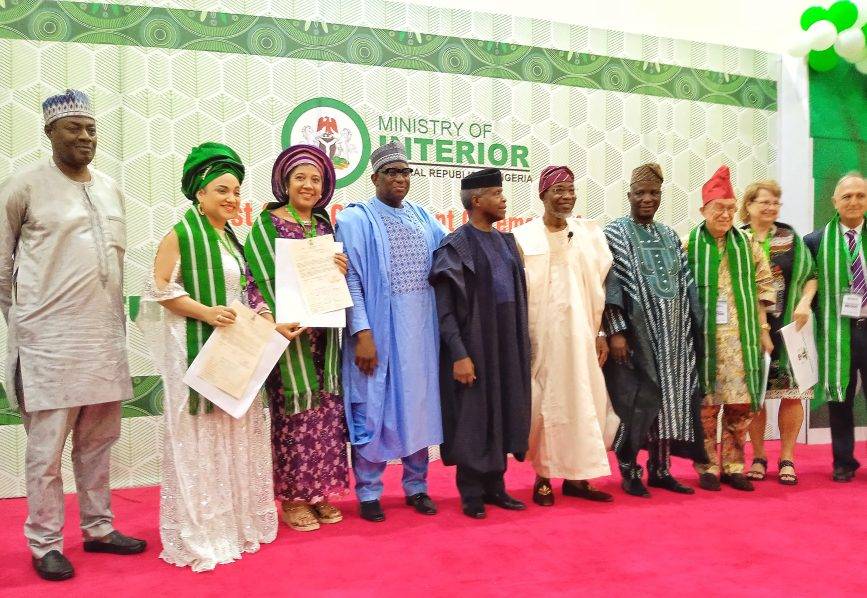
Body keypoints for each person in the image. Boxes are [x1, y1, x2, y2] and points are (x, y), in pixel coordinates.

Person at [0, 90, 145, 581]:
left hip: (103, 340)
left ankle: (99, 528)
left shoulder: (109, 188)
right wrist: (26, 323)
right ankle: (45, 543)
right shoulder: (23, 186)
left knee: (98, 442)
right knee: (45, 452)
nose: (85, 136)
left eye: (90, 128)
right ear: (49, 132)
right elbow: (1, 269)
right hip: (48, 344)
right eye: (73, 128)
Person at [139, 142, 277, 571]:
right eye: (222, 190)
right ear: (199, 192)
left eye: (236, 191)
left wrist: (261, 314)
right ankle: (203, 531)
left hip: (234, 351)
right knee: (200, 440)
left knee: (232, 434)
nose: (232, 199)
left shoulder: (232, 238)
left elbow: (242, 290)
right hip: (195, 353)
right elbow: (160, 289)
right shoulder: (180, 235)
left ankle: (233, 524)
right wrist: (205, 312)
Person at [335, 141, 446, 522]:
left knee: (417, 408)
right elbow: (349, 278)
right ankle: (368, 492)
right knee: (374, 409)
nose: (400, 178)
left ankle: (417, 487)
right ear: (374, 178)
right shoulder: (356, 220)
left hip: (420, 333)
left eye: (405, 172)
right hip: (378, 331)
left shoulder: (423, 217)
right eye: (391, 172)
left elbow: (451, 250)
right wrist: (362, 332)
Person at [244, 145, 350, 531]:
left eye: (316, 179)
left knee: (326, 418)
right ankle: (293, 498)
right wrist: (270, 319)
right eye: (300, 178)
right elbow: (252, 279)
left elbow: (330, 279)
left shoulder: (323, 225)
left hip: (324, 340)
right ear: (285, 183)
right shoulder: (267, 225)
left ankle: (319, 493)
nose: (308, 185)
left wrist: (340, 268)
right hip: (288, 340)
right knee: (295, 419)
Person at [429, 168, 531, 519]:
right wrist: (459, 354)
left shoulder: (506, 242)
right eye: (496, 194)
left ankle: (496, 486)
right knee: (474, 415)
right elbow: (444, 309)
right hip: (474, 344)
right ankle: (471, 491)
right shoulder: (456, 246)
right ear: (476, 200)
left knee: (504, 407)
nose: (504, 200)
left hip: (506, 342)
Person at [512, 165, 616, 506]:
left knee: (585, 401)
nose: (567, 196)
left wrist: (601, 332)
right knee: (547, 404)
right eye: (559, 190)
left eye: (571, 190)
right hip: (543, 339)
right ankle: (543, 476)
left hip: (583, 336)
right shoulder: (523, 237)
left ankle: (578, 478)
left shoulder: (588, 234)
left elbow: (602, 285)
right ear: (543, 195)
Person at [602, 163, 704, 498]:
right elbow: (610, 284)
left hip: (674, 336)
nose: (647, 199)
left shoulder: (670, 235)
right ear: (629, 195)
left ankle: (660, 469)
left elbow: (685, 284)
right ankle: (629, 468)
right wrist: (616, 332)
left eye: (654, 193)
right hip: (637, 338)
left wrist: (691, 329)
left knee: (669, 403)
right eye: (640, 193)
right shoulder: (615, 233)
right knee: (637, 401)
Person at [685, 165, 775, 492]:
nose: (725, 215)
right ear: (703, 210)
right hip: (704, 342)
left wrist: (763, 329)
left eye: (730, 208)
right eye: (718, 208)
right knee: (706, 408)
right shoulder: (688, 245)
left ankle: (734, 466)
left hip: (741, 341)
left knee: (740, 406)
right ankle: (708, 466)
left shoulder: (748, 245)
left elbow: (764, 286)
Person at [739, 181, 816, 486]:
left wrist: (805, 302)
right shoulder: (738, 239)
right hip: (749, 330)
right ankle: (758, 456)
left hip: (789, 329)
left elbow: (811, 275)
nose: (771, 208)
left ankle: (787, 458)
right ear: (748, 205)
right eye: (764, 202)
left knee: (792, 395)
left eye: (775, 203)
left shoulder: (790, 237)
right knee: (754, 396)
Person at [804, 172, 867, 482]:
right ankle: (843, 462)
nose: (854, 201)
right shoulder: (815, 241)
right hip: (837, 330)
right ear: (835, 202)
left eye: (860, 195)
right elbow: (808, 282)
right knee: (839, 398)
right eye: (847, 196)